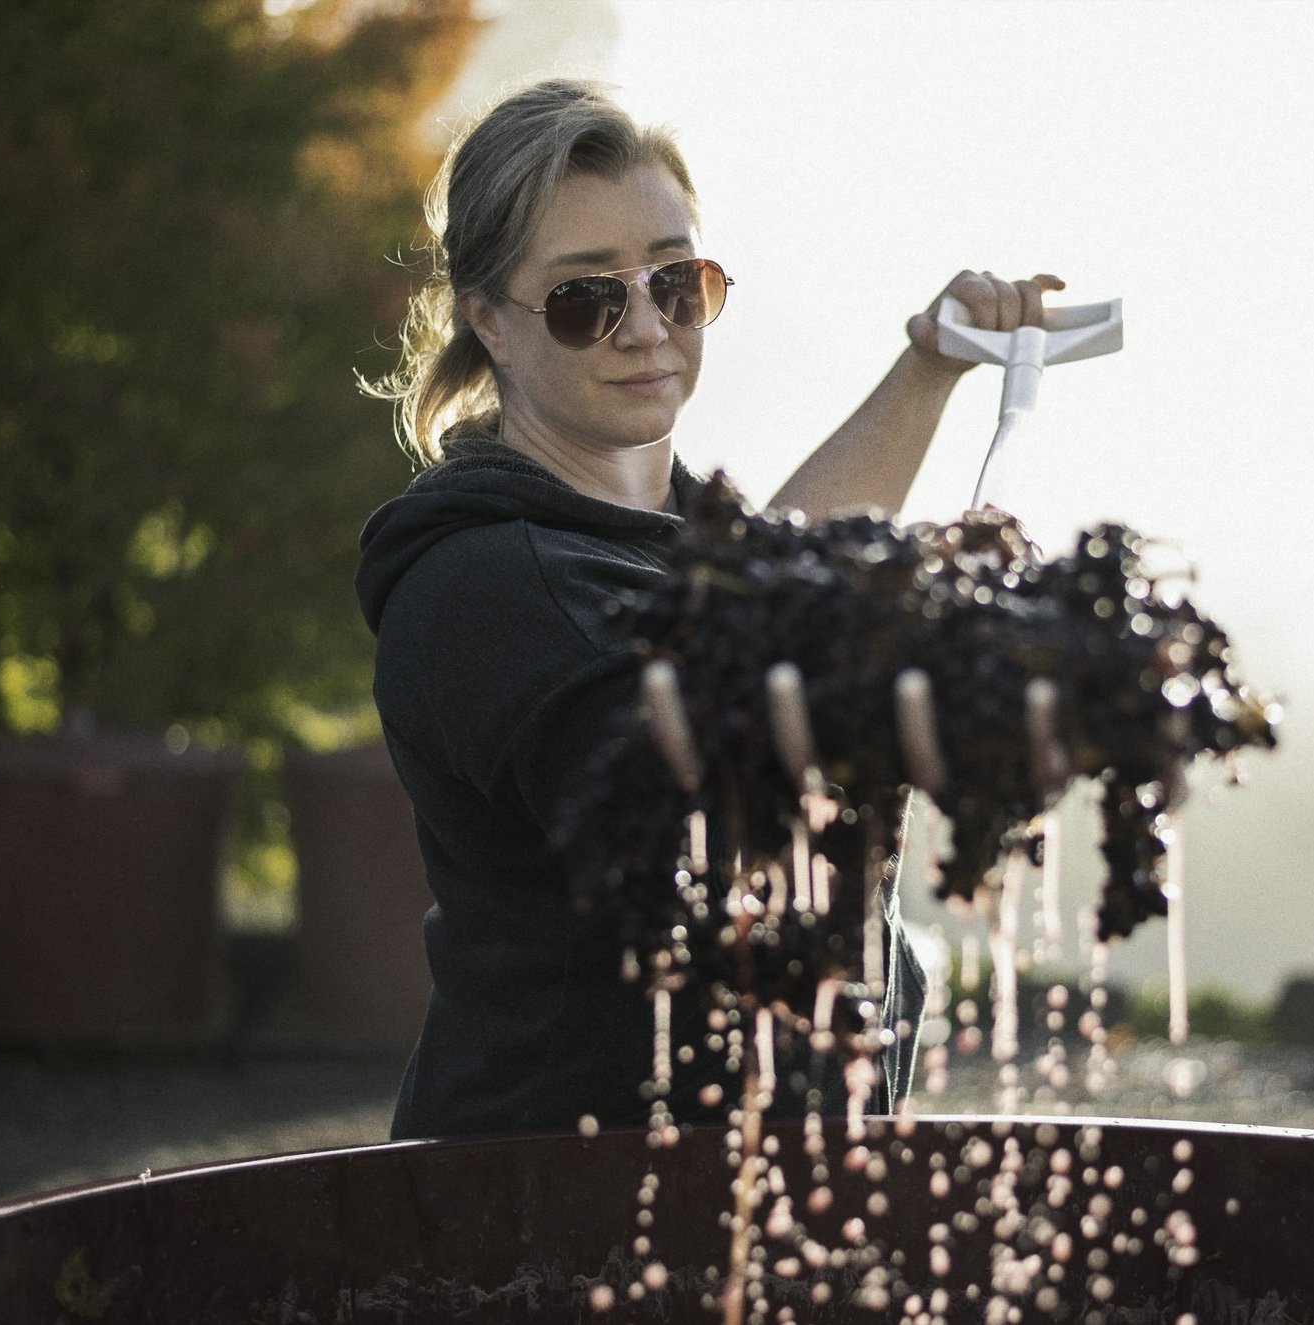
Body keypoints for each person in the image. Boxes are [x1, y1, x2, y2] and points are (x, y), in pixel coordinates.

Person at [355, 77, 1065, 1141]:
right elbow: (694, 787)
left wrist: (930, 367)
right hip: (548, 1217)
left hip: (740, 1188)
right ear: (491, 324)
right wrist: (930, 663)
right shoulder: (492, 585)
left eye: (675, 283)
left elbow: (772, 586)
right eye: (587, 298)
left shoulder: (671, 545)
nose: (646, 327)